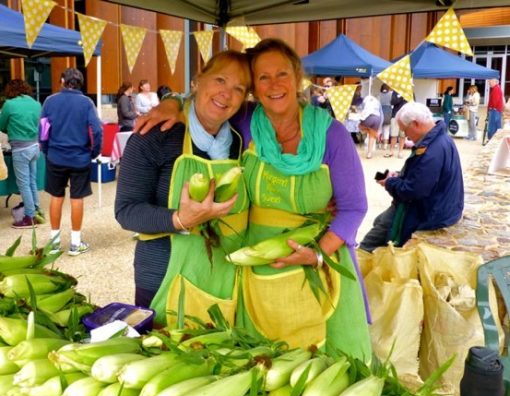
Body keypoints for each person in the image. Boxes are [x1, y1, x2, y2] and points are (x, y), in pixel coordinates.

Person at [135, 39, 372, 361]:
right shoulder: (244, 122)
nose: (274, 85)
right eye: (263, 78)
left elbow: (354, 208)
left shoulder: (332, 135)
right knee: (262, 363)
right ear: (254, 90)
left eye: (282, 74)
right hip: (253, 270)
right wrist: (171, 104)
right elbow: (205, 100)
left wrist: (316, 254)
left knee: (322, 365)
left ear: (297, 77)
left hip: (317, 263)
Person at [115, 50, 251, 313]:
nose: (227, 93)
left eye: (239, 88)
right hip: (162, 278)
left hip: (222, 278)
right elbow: (126, 211)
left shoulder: (239, 142)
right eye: (220, 80)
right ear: (198, 81)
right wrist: (180, 219)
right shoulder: (154, 135)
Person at [359, 102, 464, 252]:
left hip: (429, 214)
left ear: (416, 124)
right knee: (379, 221)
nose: (405, 135)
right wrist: (400, 176)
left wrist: (390, 182)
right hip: (440, 208)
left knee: (370, 241)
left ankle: (359, 264)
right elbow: (422, 178)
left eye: (405, 131)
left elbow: (412, 191)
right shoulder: (441, 140)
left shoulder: (431, 151)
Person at [39, 68, 103, 255]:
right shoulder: (86, 102)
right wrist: (94, 152)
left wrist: (46, 149)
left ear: (61, 80)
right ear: (80, 83)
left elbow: (43, 128)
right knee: (77, 198)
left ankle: (54, 243)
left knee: (56, 197)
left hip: (55, 157)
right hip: (80, 158)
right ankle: (75, 243)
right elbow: (97, 130)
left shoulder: (50, 101)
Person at [0, 79, 44, 228]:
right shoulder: (36, 103)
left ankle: (30, 217)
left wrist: (11, 130)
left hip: (20, 148)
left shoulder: (9, 104)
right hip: (35, 146)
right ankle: (37, 210)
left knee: (23, 184)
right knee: (32, 181)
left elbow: (1, 125)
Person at [358, 94, 382, 159]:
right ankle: (369, 153)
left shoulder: (365, 100)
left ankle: (370, 132)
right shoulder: (377, 102)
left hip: (368, 117)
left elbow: (362, 110)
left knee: (359, 126)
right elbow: (381, 114)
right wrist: (380, 125)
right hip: (377, 118)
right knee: (372, 136)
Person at [388, 90, 407, 158]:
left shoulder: (409, 91)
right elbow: (392, 102)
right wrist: (400, 96)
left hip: (405, 116)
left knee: (402, 135)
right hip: (395, 115)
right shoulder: (395, 91)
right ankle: (391, 151)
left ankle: (400, 152)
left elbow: (413, 102)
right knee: (394, 134)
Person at [379, 84, 392, 152]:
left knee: (379, 129)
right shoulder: (390, 94)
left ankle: (379, 144)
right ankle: (385, 145)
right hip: (388, 112)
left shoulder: (379, 94)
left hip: (380, 112)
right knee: (386, 129)